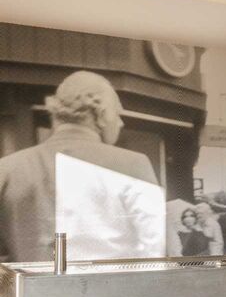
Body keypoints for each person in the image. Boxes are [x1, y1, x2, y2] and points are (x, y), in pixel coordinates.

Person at [0, 71, 164, 262]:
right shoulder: (134, 165)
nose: (120, 123)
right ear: (102, 115)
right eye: (118, 114)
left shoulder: (7, 169)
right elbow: (155, 251)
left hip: (29, 290)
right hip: (109, 289)